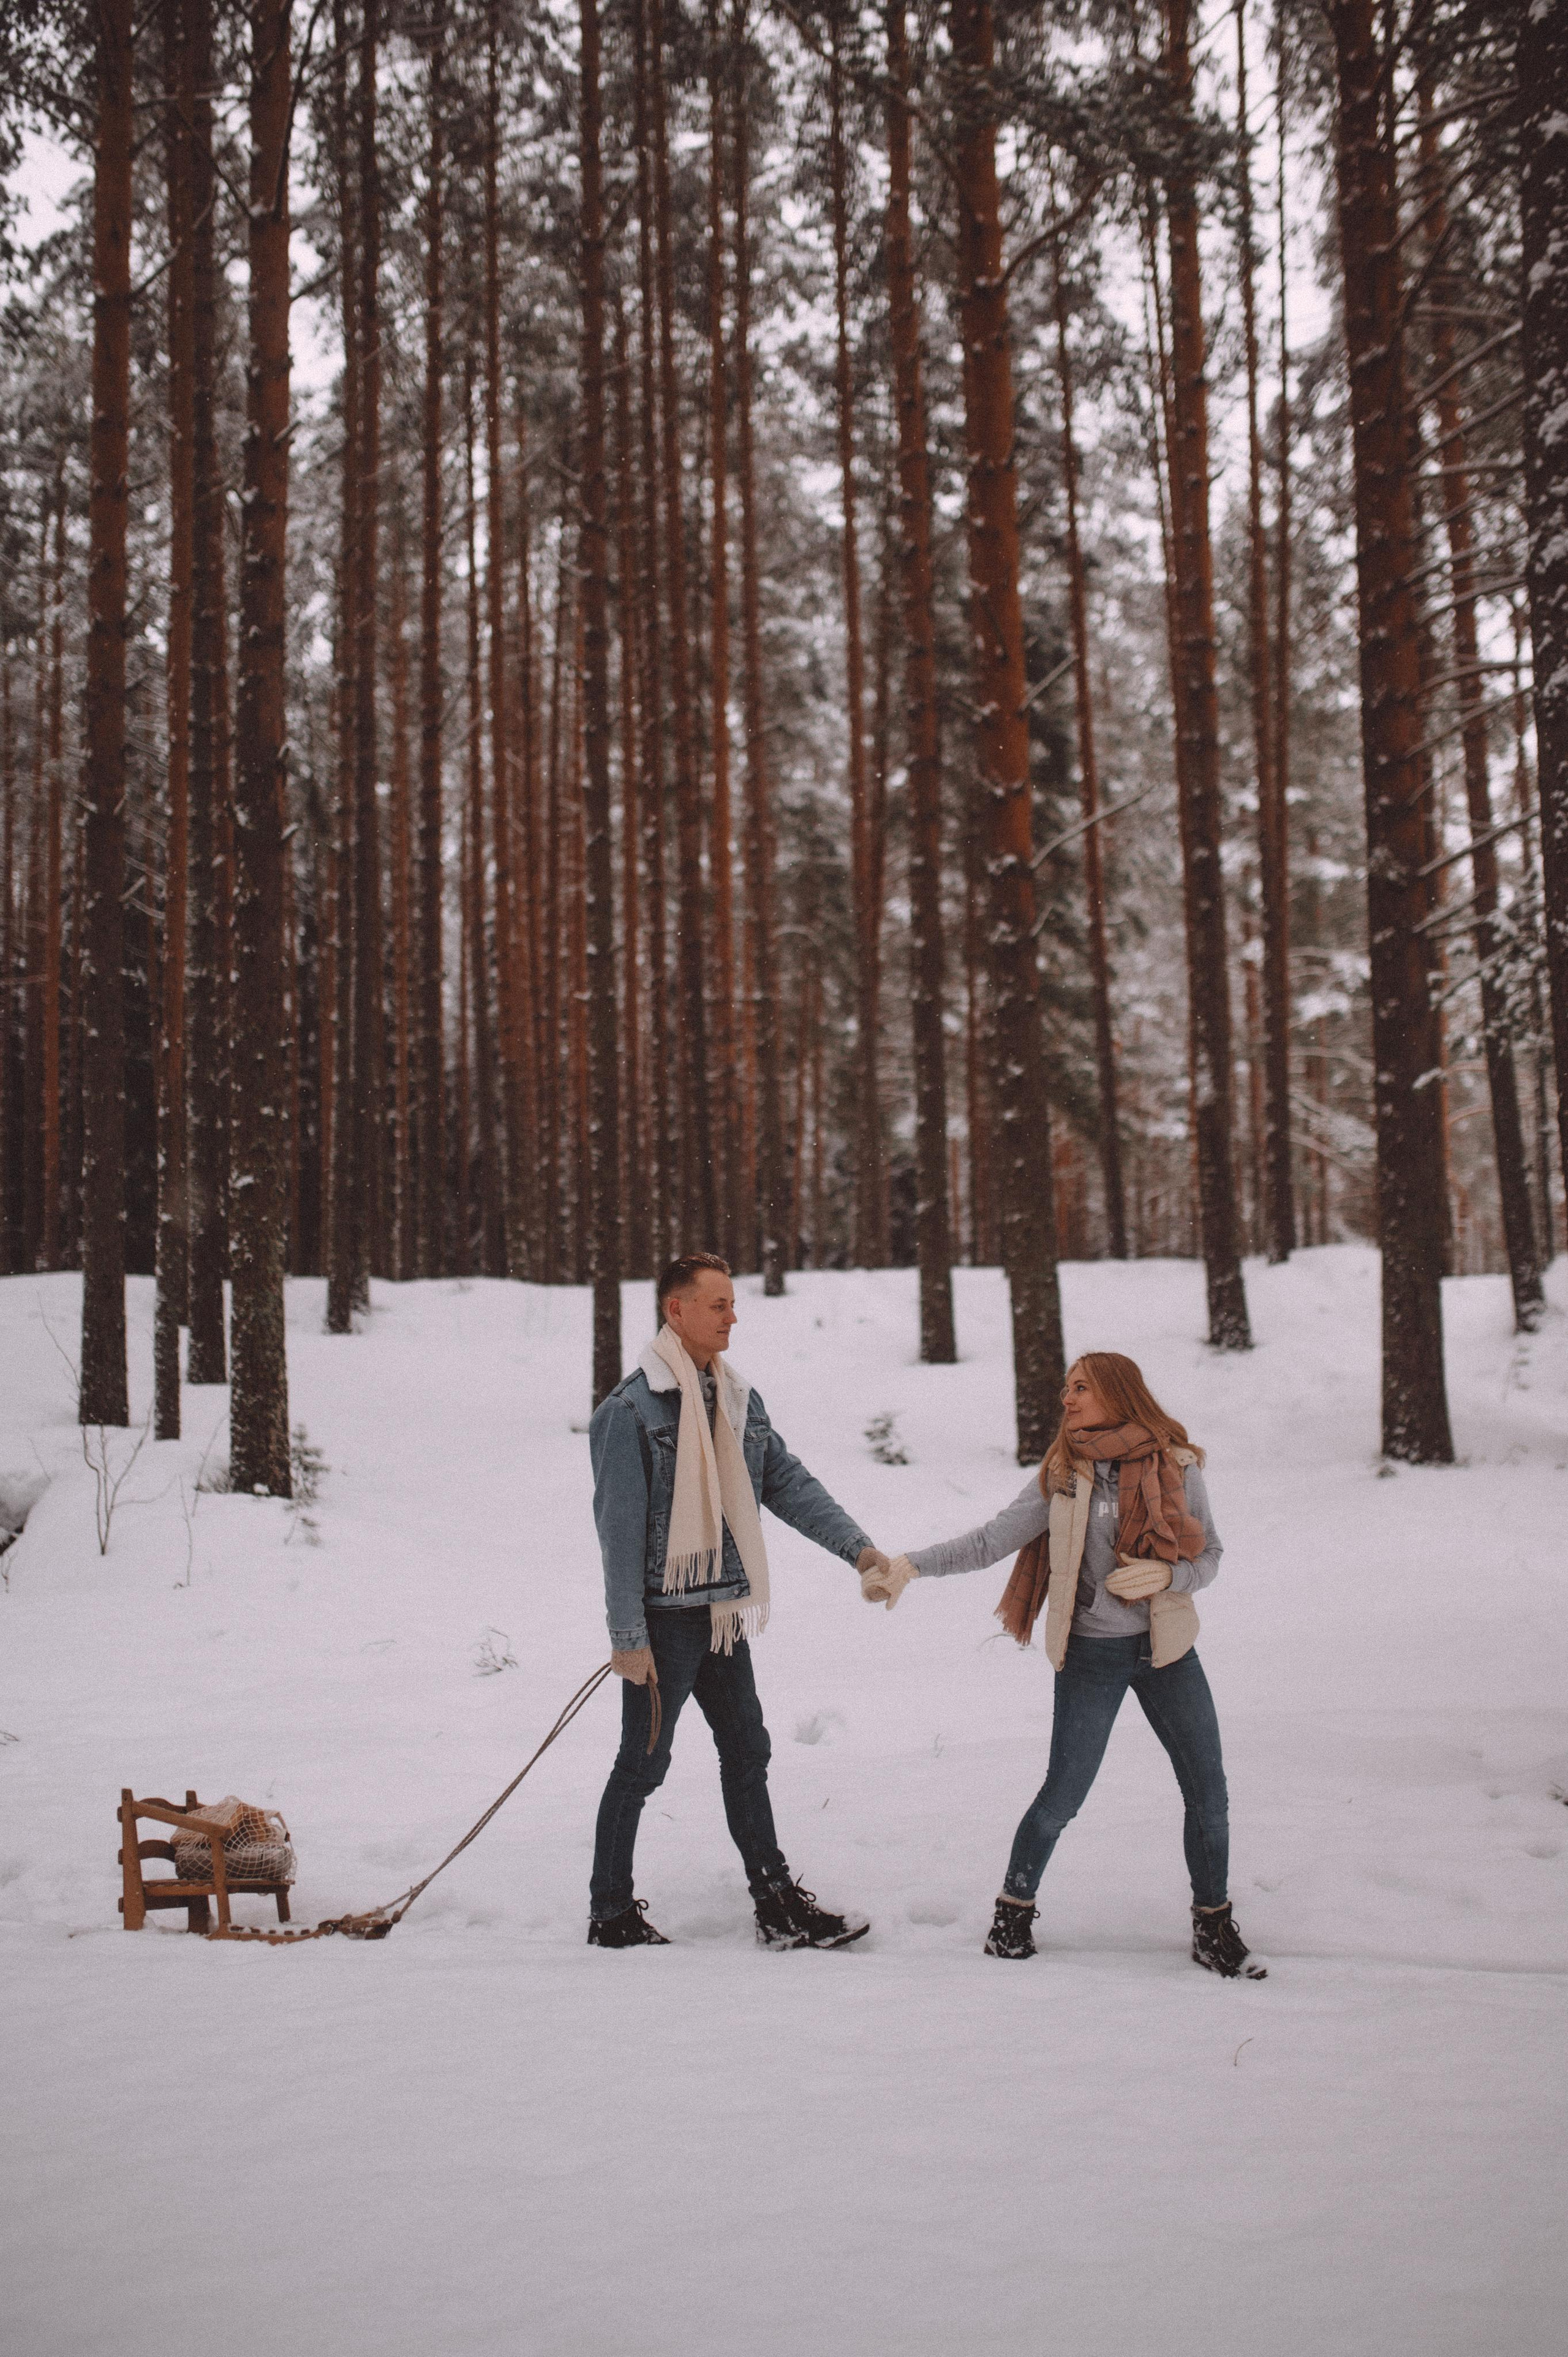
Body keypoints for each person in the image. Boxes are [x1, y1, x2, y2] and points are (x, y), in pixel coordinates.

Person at [865, 1352, 1265, 1978]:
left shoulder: (1177, 1465)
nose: (1068, 1399)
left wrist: (1169, 1573)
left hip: (1167, 1652)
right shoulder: (1064, 1472)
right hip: (1092, 1657)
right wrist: (910, 1565)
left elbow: (1209, 1553)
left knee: (1208, 1793)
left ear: (1118, 1392)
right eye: (1065, 1389)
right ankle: (1011, 1914)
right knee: (1062, 1795)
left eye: (1082, 1387)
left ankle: (1212, 1924)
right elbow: (990, 1540)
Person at [587, 1250, 889, 1950]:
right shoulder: (628, 1412)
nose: (732, 1316)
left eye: (732, 1303)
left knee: (747, 1749)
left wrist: (858, 1549)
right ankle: (610, 1912)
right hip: (664, 1623)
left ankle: (776, 1901)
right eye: (717, 1303)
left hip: (723, 1615)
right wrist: (627, 1636)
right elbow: (618, 1533)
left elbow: (786, 1482)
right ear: (676, 1310)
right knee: (643, 1764)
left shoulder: (737, 1398)